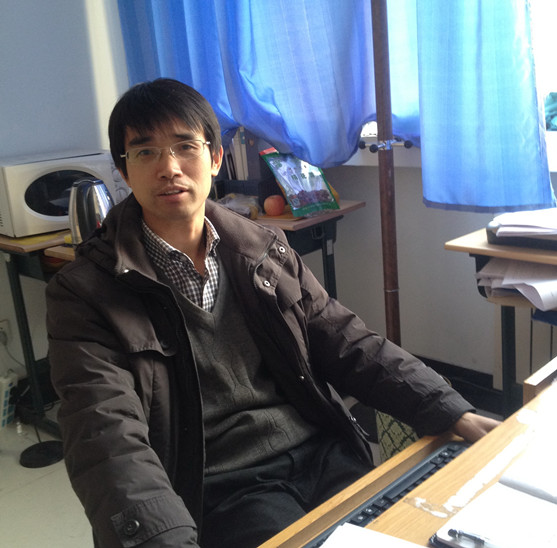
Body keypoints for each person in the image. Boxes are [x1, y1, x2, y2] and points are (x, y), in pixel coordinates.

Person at [46, 78, 499, 548]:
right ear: (124, 170)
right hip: (221, 488)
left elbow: (347, 341)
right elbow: (105, 433)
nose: (169, 168)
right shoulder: (84, 294)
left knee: (422, 529)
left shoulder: (263, 251)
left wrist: (447, 409)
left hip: (322, 454)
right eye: (145, 152)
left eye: (186, 146)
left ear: (215, 158)